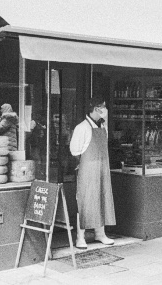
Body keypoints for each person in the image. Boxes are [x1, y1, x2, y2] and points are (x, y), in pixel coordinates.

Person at [69, 96, 116, 249]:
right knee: (85, 201)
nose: (105, 110)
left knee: (101, 197)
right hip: (87, 168)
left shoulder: (103, 127)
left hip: (102, 168)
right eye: (103, 107)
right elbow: (74, 150)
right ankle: (80, 237)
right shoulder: (81, 127)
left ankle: (100, 233)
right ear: (97, 109)